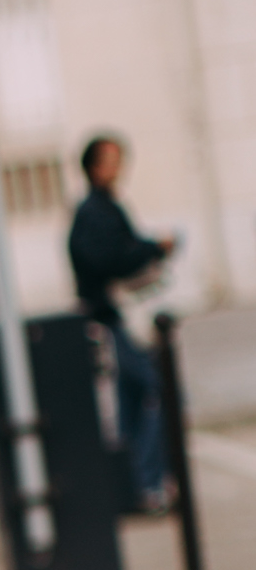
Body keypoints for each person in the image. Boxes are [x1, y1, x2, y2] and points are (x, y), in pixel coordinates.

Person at [67, 135, 177, 511]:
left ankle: (137, 488)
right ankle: (149, 483)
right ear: (95, 167)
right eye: (112, 160)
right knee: (160, 391)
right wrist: (153, 248)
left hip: (114, 319)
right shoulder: (94, 211)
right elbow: (111, 260)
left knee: (131, 402)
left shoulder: (104, 208)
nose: (120, 167)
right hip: (115, 320)